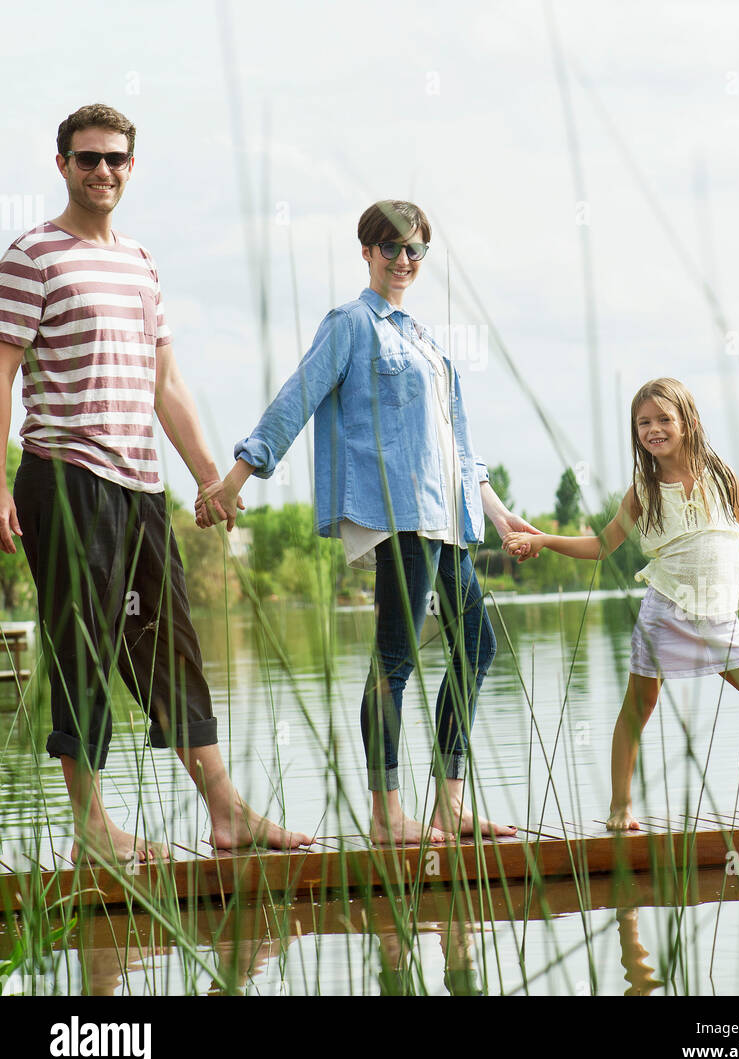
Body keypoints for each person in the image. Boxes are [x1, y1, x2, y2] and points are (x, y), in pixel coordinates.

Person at [0, 103, 312, 865]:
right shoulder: (30, 256)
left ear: (131, 167)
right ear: (62, 165)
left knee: (168, 644)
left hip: (141, 487)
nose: (101, 171)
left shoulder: (140, 262)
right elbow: (1, 374)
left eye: (114, 158)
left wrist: (210, 477)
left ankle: (227, 812)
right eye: (86, 158)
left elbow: (166, 380)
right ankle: (91, 827)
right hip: (65, 478)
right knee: (83, 644)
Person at [197, 200, 532, 846]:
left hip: (448, 520)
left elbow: (458, 442)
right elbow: (297, 396)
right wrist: (239, 475)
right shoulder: (351, 324)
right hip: (396, 516)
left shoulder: (426, 341)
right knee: (394, 663)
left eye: (415, 251)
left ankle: (449, 805)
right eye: (391, 249)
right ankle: (386, 815)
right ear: (367, 252)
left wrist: (495, 510)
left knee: (478, 646)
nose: (403, 261)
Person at [504, 377, 739, 831]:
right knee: (637, 708)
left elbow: (737, 530)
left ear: (688, 422)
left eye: (664, 419)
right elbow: (601, 546)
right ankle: (620, 805)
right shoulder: (645, 489)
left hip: (717, 617)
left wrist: (725, 581)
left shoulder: (721, 475)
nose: (653, 429)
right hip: (666, 614)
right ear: (636, 431)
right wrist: (542, 538)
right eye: (644, 422)